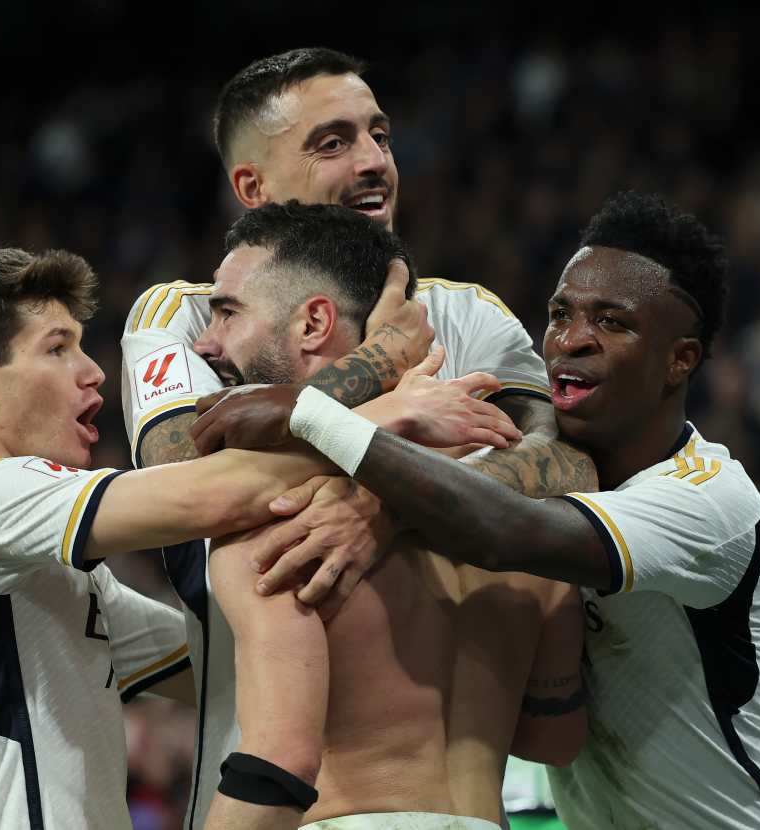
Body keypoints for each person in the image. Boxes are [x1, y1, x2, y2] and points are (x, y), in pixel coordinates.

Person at [190, 191, 760, 830]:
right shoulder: (544, 474)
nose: (572, 340)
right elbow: (554, 735)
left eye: (612, 321)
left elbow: (501, 529)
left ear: (680, 359)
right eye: (560, 313)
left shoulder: (705, 499)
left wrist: (312, 416)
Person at [118, 47, 597, 828]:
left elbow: (572, 469)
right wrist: (382, 375)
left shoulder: (470, 315)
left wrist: (395, 505)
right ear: (252, 186)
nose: (375, 161)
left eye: (382, 136)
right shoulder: (190, 315)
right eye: (333, 142)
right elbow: (181, 470)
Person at [0, 244, 484, 829]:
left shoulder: (44, 576)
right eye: (58, 349)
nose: (94, 373)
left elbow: (217, 660)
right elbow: (208, 490)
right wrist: (386, 417)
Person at [188, 201, 586, 830]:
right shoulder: (517, 509)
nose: (203, 343)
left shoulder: (281, 512)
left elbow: (278, 764)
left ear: (313, 324)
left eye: (228, 313)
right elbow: (554, 739)